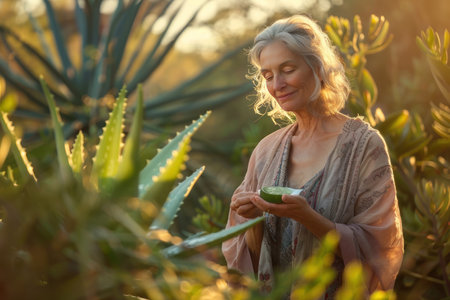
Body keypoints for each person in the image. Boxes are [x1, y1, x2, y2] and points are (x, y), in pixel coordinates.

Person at [221, 14, 404, 298]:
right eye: (268, 75)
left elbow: (381, 247)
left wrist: (310, 218)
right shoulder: (266, 151)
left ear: (317, 68)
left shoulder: (363, 145)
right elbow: (246, 259)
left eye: (288, 69)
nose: (277, 84)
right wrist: (251, 218)